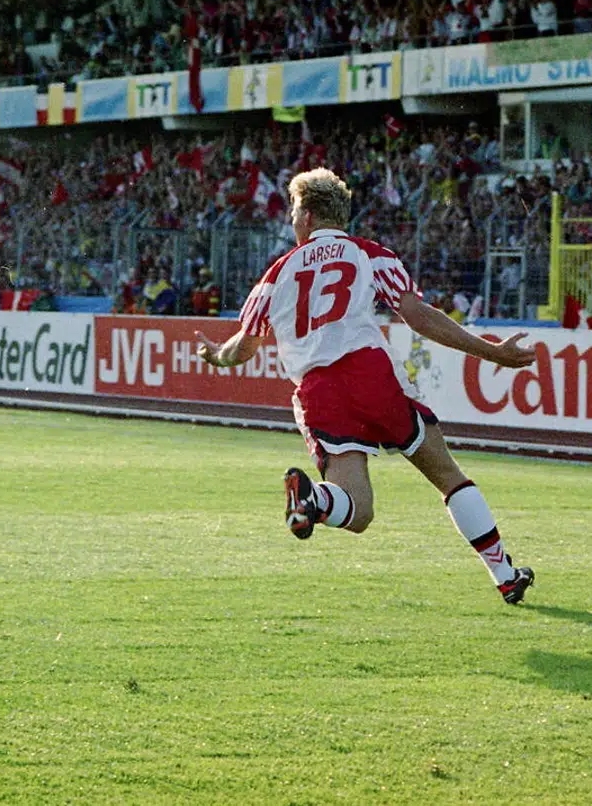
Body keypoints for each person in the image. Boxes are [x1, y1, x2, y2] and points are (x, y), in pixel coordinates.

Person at [193, 169, 538, 604]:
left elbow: (242, 348)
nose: (292, 221)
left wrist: (213, 355)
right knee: (448, 477)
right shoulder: (368, 254)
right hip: (371, 375)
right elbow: (418, 316)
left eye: (295, 210)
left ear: (310, 215)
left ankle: (315, 500)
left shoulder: (276, 275)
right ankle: (505, 575)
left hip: (319, 392)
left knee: (357, 511)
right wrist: (491, 352)